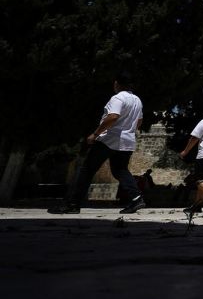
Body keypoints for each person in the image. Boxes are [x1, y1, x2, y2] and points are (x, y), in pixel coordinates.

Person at [50, 74, 145, 214]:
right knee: (121, 170)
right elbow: (139, 121)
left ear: (117, 84)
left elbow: (113, 116)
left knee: (87, 170)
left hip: (109, 139)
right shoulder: (137, 100)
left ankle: (72, 204)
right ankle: (137, 199)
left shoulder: (118, 98)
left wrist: (95, 134)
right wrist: (129, 130)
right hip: (127, 140)